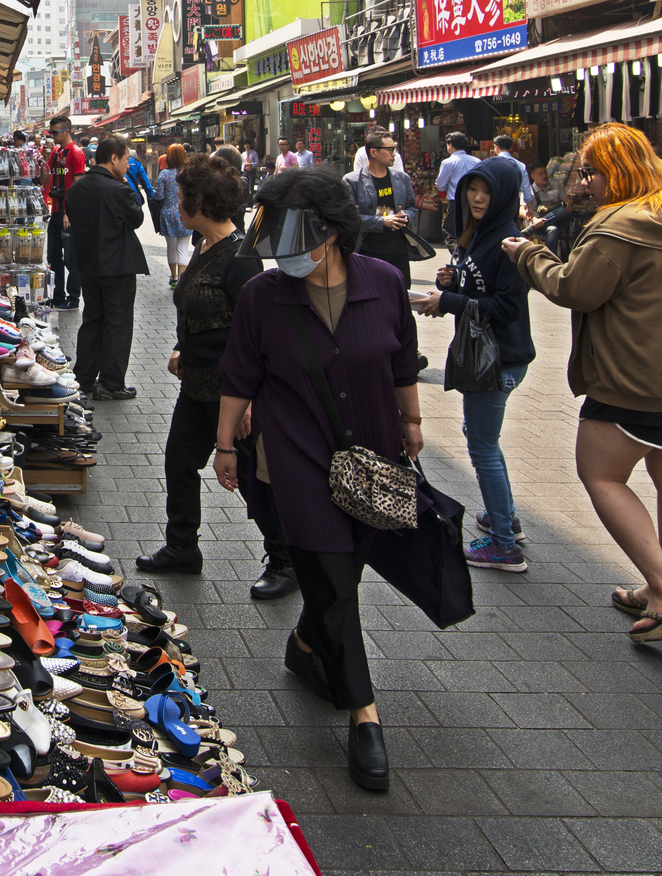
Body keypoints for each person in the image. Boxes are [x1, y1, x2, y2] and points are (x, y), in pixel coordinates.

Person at [214, 169, 423, 792]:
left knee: (343, 572)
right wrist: (224, 447)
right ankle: (364, 714)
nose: (284, 252)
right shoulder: (263, 295)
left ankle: (306, 644)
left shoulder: (383, 283)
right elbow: (239, 374)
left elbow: (401, 360)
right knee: (332, 576)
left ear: (330, 233)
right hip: (295, 455)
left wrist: (412, 421)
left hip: (371, 448)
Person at [505, 124, 662, 643]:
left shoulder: (617, 227)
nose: (585, 183)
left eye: (590, 172)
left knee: (602, 475)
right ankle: (660, 590)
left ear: (616, 172)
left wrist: (528, 255)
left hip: (635, 380)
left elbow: (575, 289)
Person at [138, 155, 266, 576]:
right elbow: (202, 309)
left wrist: (247, 399)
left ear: (200, 202)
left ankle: (286, 560)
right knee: (180, 460)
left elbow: (254, 334)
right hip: (197, 382)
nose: (176, 204)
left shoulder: (241, 257)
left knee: (251, 475)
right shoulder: (204, 244)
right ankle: (182, 548)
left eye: (181, 197)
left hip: (230, 390)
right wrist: (182, 345)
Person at [416, 155, 535, 572]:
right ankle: (506, 517)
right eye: (472, 189)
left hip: (499, 358)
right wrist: (450, 282)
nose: (478, 198)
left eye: (487, 192)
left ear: (504, 196)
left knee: (482, 445)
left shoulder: (508, 242)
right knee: (482, 438)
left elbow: (507, 307)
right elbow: (476, 289)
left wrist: (449, 300)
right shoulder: (475, 234)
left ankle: (504, 544)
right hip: (483, 355)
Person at [64, 134, 148, 401]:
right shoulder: (117, 188)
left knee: (93, 319)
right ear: (114, 158)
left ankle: (85, 377)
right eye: (126, 159)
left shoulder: (77, 189)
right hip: (117, 265)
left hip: (88, 265)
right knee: (117, 323)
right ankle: (111, 383)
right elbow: (137, 218)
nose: (128, 164)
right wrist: (126, 184)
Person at [344, 130, 417, 284]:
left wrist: (404, 216)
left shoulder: (402, 179)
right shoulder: (352, 181)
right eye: (390, 149)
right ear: (373, 152)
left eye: (394, 149)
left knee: (401, 293)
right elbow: (350, 218)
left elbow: (412, 208)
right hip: (367, 251)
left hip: (398, 251)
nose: (394, 154)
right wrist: (382, 221)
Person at [43, 119, 86, 309]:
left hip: (68, 214)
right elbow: (44, 178)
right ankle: (58, 295)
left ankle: (73, 298)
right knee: (53, 257)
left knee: (70, 258)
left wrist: (70, 211)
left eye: (55, 132)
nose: (52, 136)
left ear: (66, 131)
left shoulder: (76, 152)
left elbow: (78, 186)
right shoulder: (55, 152)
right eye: (50, 133)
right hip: (55, 212)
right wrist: (45, 158)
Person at [152, 144, 192, 286]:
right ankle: (181, 279)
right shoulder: (189, 174)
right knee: (183, 248)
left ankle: (174, 277)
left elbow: (159, 196)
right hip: (186, 213)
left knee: (171, 248)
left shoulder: (164, 174)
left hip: (168, 214)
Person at [436, 132, 479, 239]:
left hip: (456, 201)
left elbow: (440, 184)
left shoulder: (448, 162)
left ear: (450, 145)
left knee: (449, 229)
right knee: (470, 227)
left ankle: (456, 249)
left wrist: (446, 189)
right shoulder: (476, 161)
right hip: (473, 200)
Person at [494, 134, 535, 209]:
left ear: (496, 147)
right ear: (511, 147)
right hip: (513, 204)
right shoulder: (520, 165)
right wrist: (529, 208)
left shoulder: (490, 164)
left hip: (495, 203)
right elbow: (526, 188)